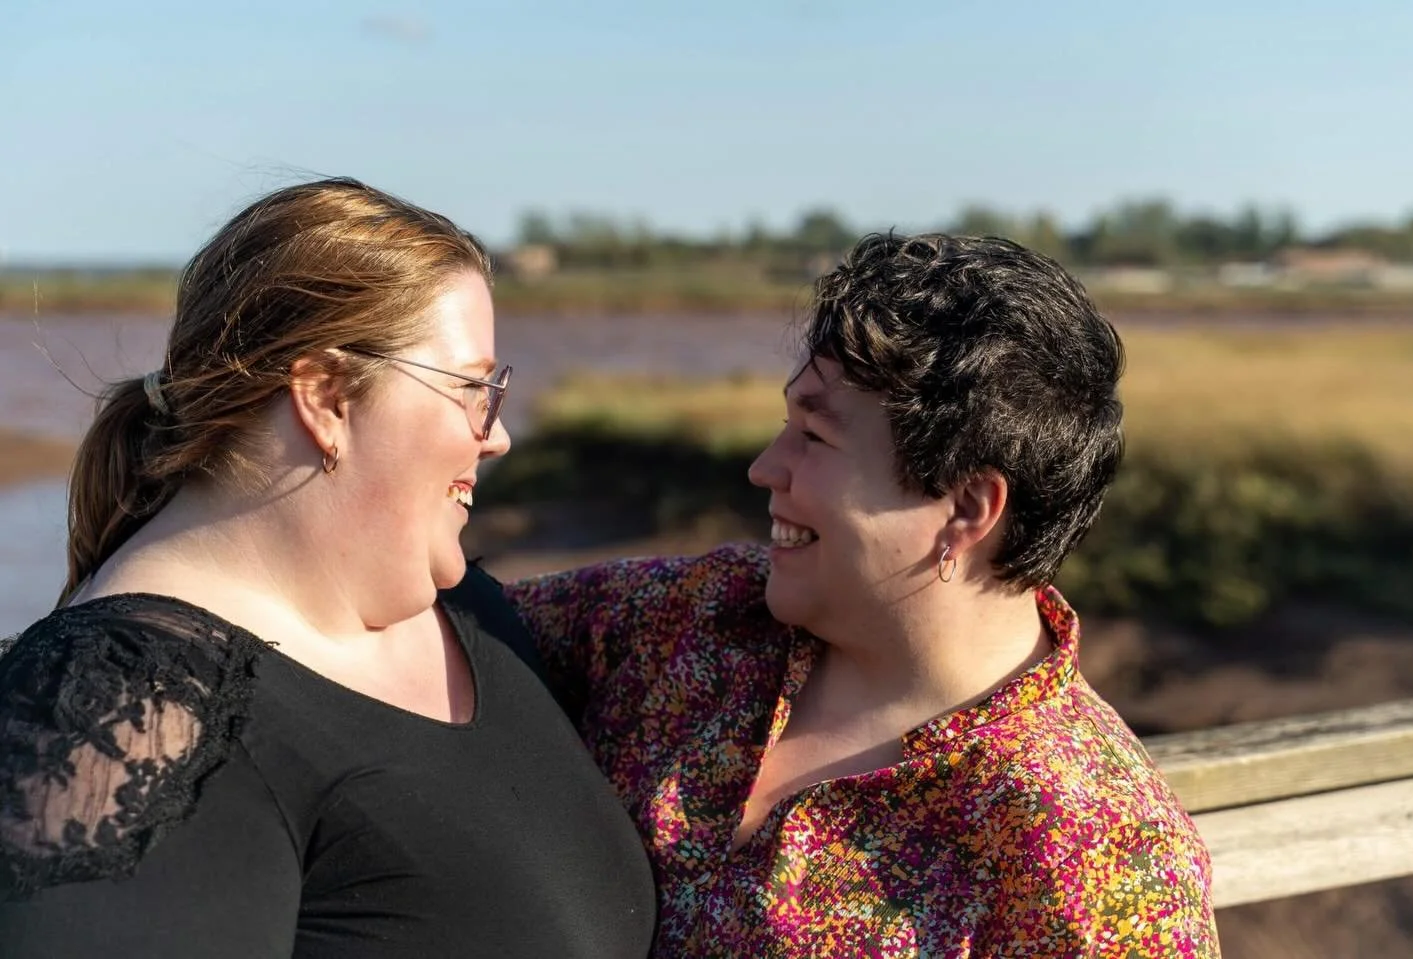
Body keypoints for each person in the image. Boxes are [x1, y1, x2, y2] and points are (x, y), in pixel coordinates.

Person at [504, 232, 1221, 957]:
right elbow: (444, 630)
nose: (763, 468)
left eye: (813, 436)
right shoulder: (698, 615)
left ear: (969, 507)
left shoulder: (1102, 862)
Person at [0, 178, 655, 958]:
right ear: (327, 396)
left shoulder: (474, 614)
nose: (499, 434)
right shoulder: (119, 720)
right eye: (475, 388)